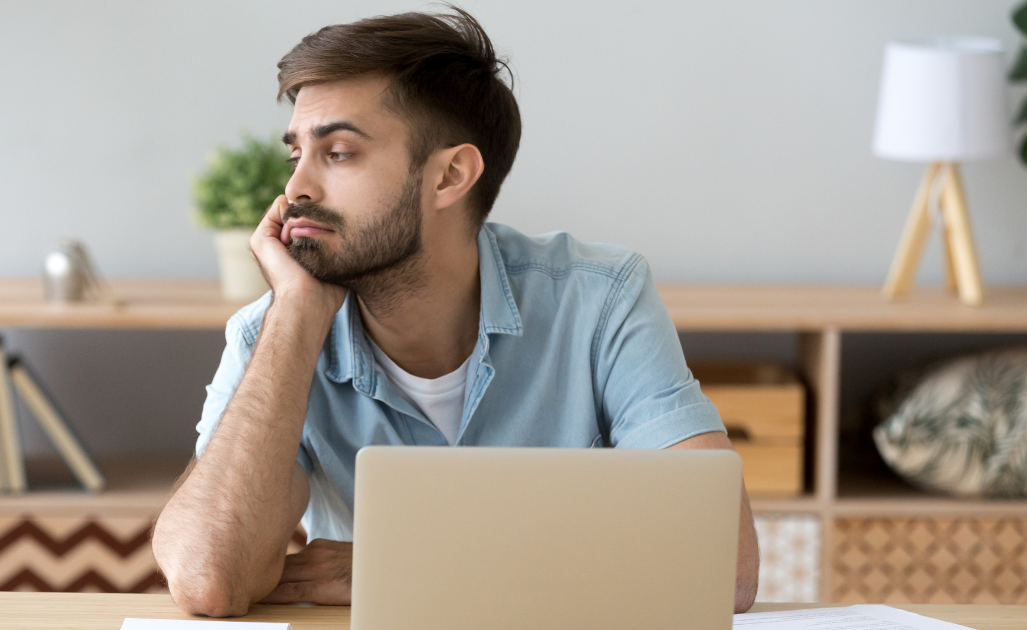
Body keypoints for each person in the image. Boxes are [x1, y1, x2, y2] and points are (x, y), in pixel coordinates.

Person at [152, 8, 759, 617]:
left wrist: (416, 569)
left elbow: (721, 568)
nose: (296, 191)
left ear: (449, 175)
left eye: (337, 153)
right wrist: (296, 315)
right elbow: (209, 578)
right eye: (296, 157)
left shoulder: (599, 300)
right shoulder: (274, 330)